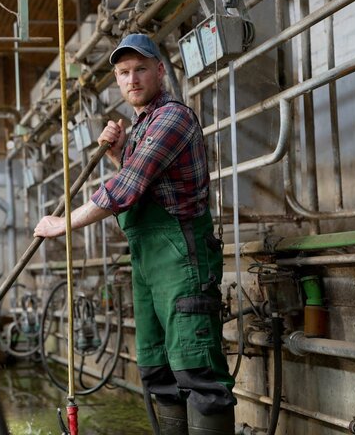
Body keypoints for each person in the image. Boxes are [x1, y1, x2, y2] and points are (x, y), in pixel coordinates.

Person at [33, 33, 236, 434]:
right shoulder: (143, 126)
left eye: (140, 69)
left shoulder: (173, 118)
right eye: (123, 73)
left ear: (160, 70)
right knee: (157, 370)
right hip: (148, 266)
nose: (132, 79)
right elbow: (140, 179)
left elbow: (126, 188)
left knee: (198, 372)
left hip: (182, 264)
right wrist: (117, 152)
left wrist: (64, 223)